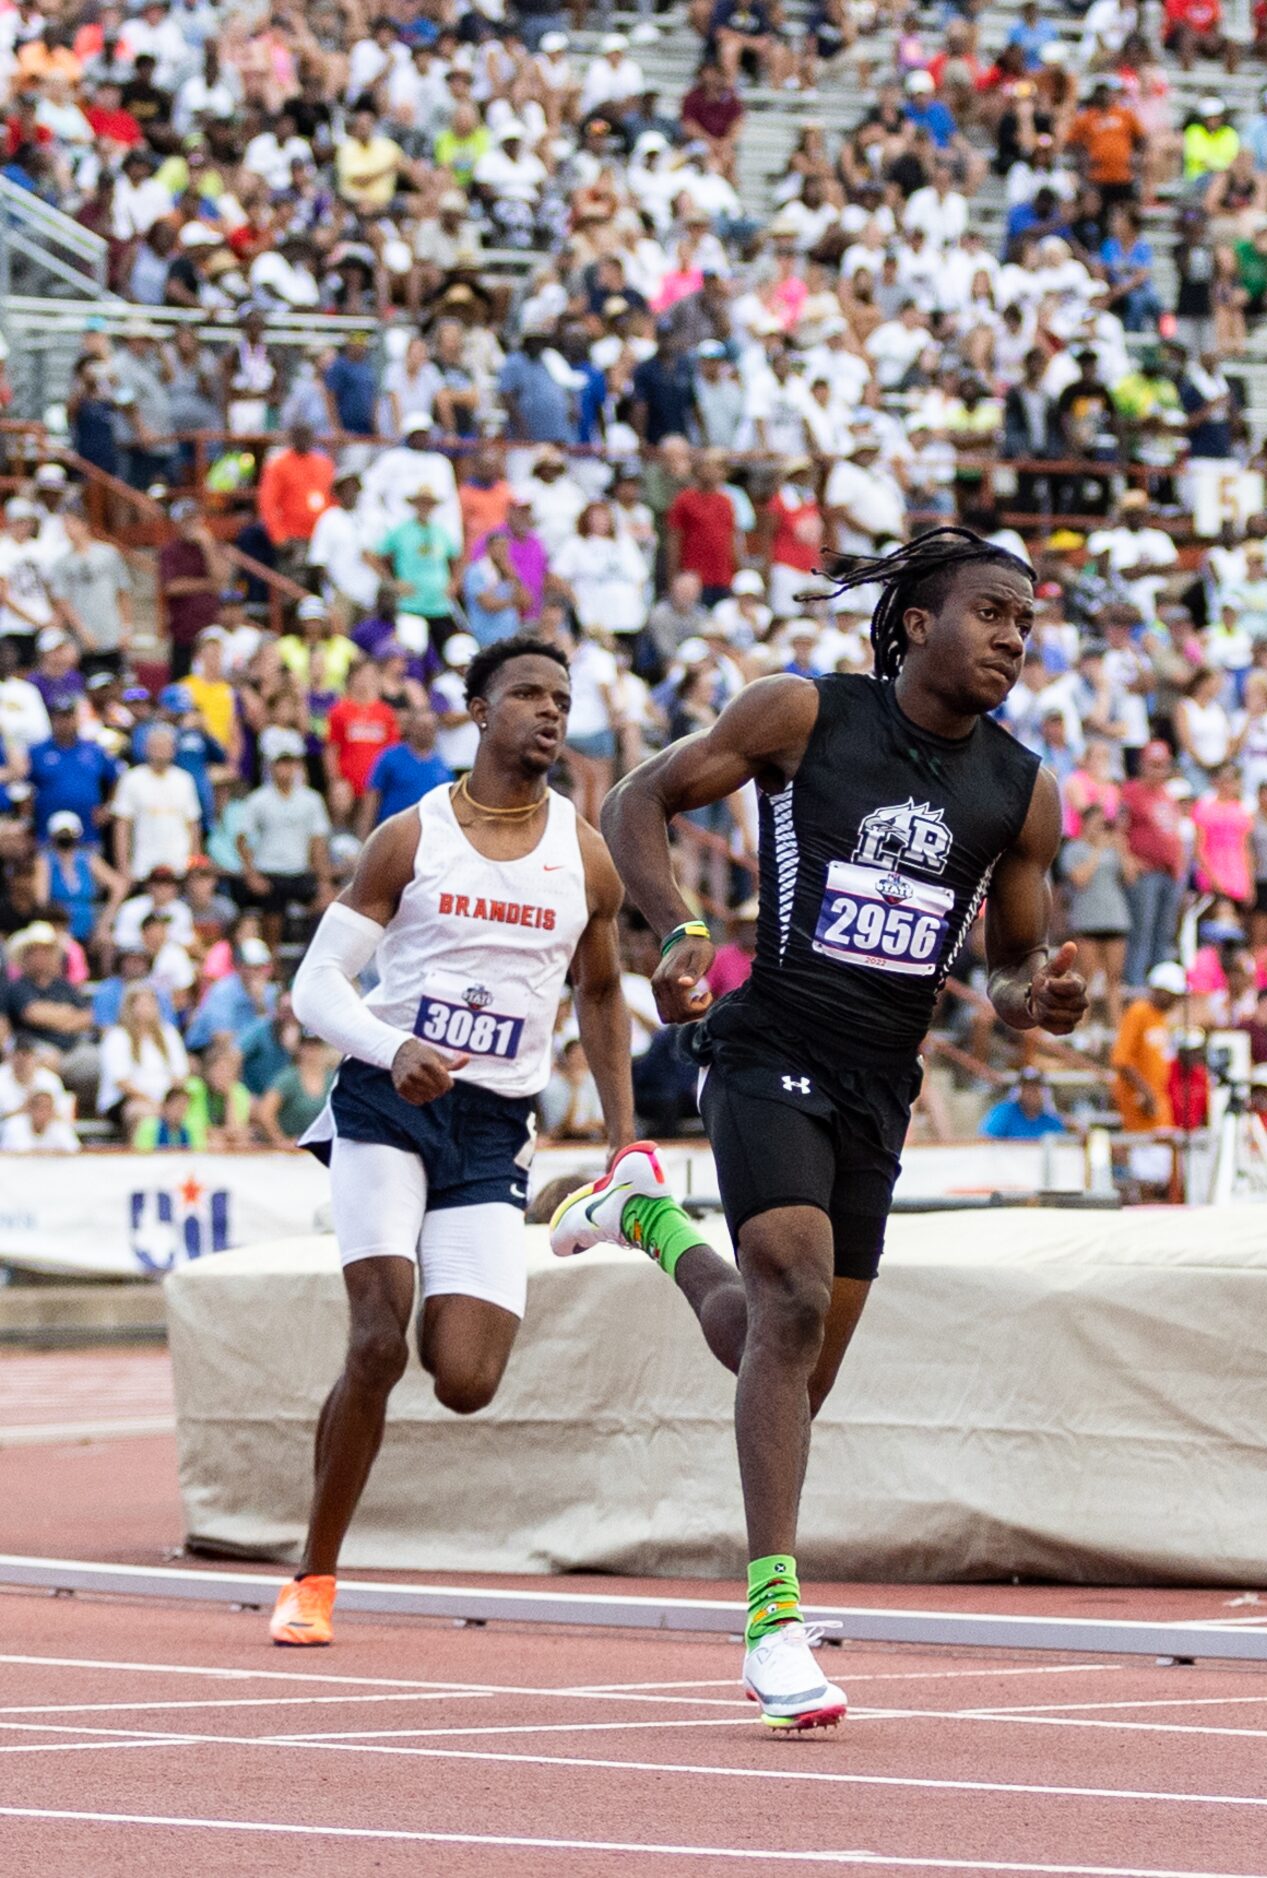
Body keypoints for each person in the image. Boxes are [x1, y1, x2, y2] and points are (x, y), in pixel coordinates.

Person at [571, 525, 1090, 1732]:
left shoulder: (1021, 791)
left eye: (1025, 622)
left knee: (782, 1345)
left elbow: (1010, 968)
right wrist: (677, 926)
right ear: (917, 622)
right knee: (794, 1299)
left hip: (879, 1082)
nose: (1013, 638)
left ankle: (648, 1220)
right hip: (770, 1044)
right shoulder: (804, 714)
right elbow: (641, 800)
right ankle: (771, 1624)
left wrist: (1042, 1001)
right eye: (991, 614)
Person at [269, 637, 639, 1651]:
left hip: (491, 1126)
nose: (549, 713)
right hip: (386, 1103)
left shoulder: (585, 852)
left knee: (466, 1380)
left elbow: (601, 993)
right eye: (526, 694)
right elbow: (314, 988)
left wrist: (623, 1143)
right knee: (378, 1336)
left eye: (561, 699)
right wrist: (393, 1048)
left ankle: (545, 1201)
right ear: (479, 711)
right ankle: (313, 1577)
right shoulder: (410, 835)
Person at [982, 1067, 1072, 1139]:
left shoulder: (1052, 1120)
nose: (1032, 1093)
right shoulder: (1004, 1113)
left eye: (1036, 1088)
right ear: (1020, 1091)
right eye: (1027, 1088)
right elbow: (986, 1140)